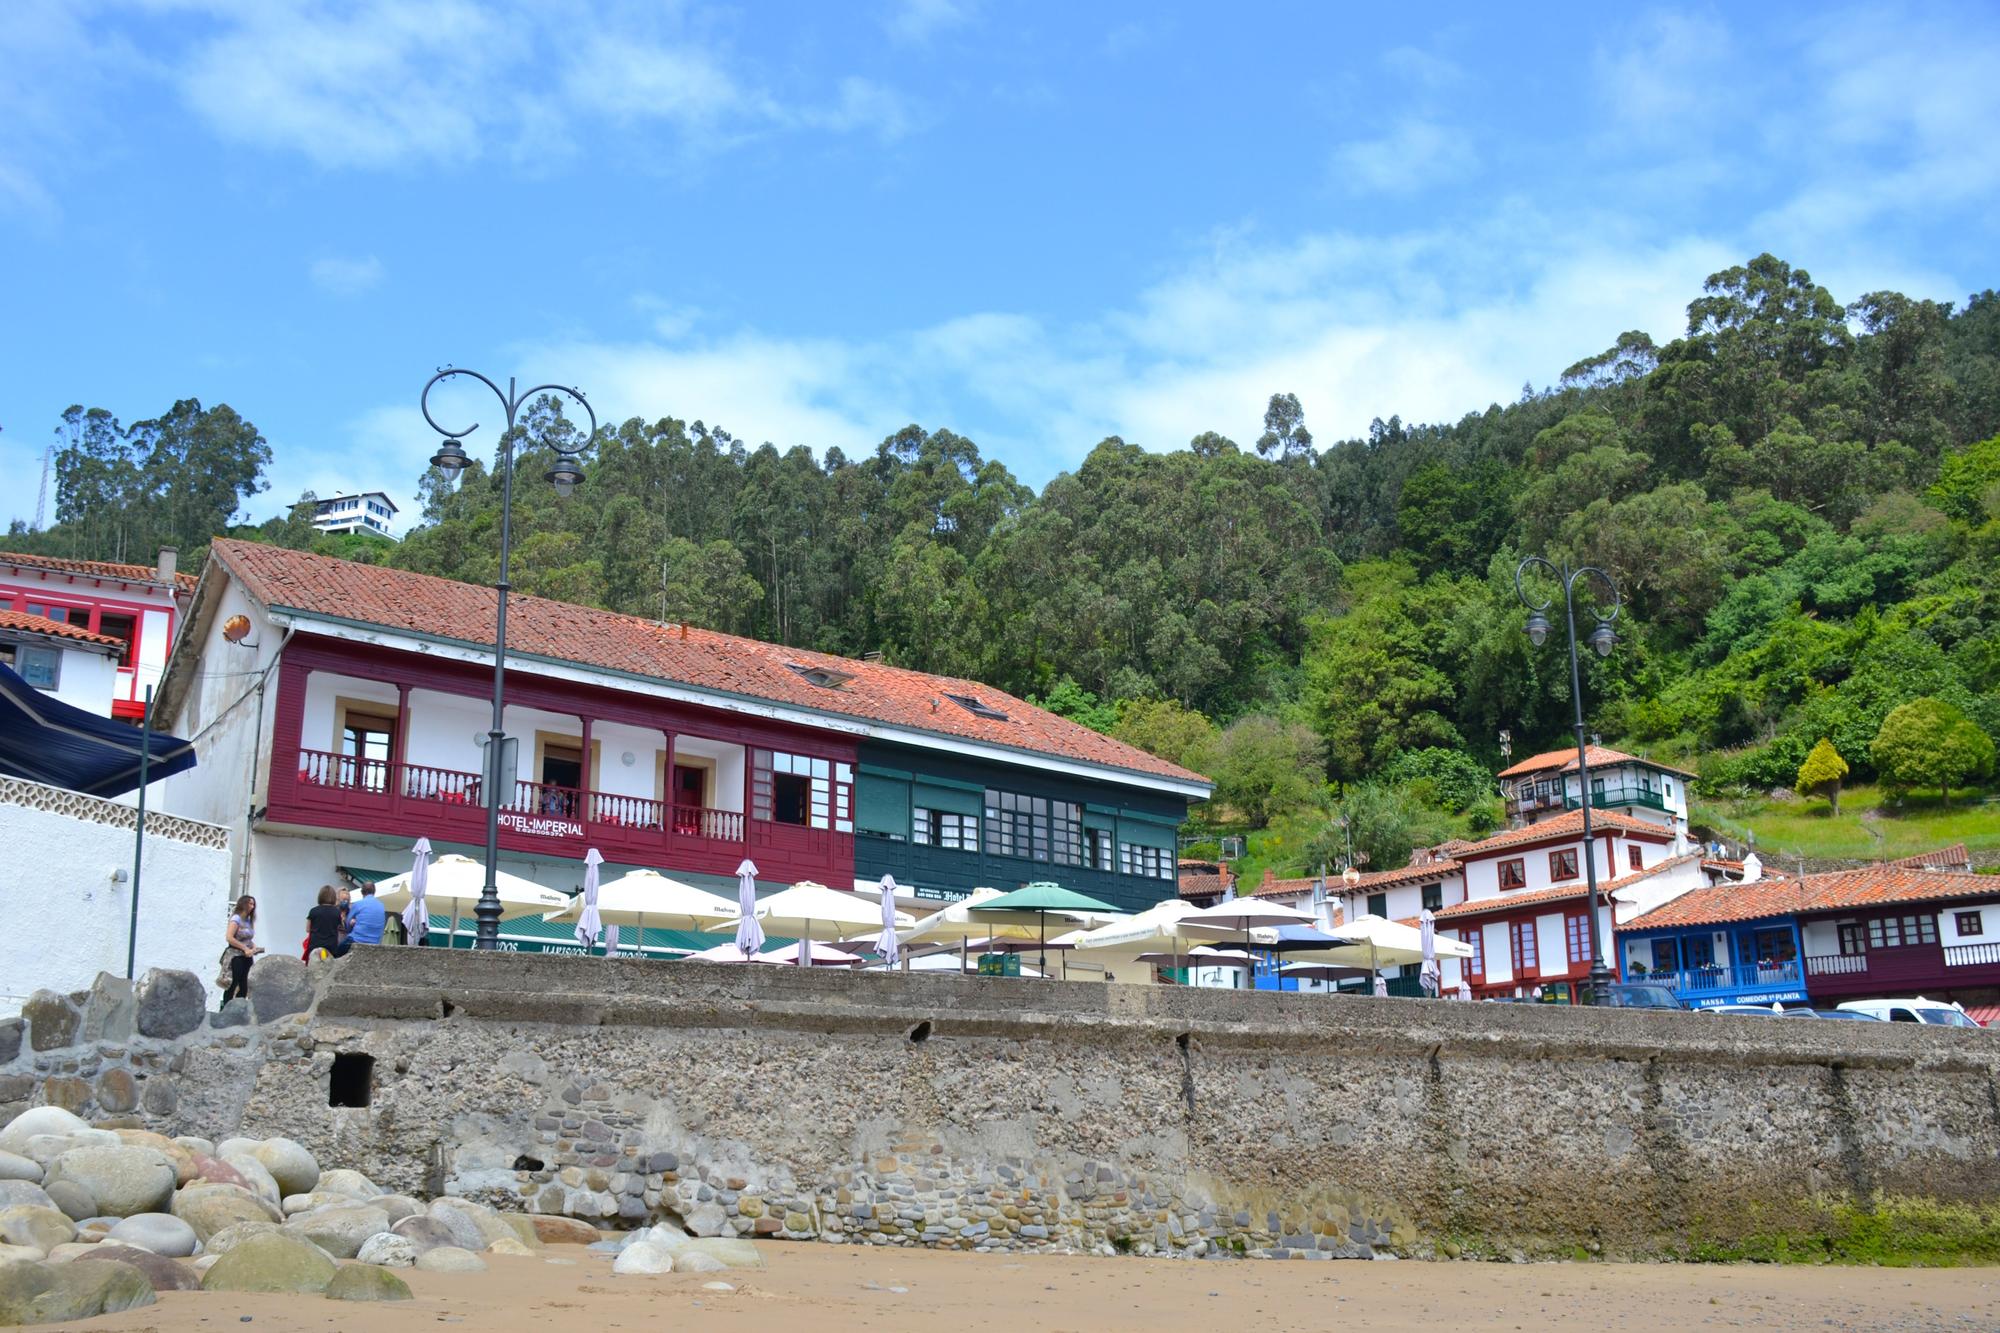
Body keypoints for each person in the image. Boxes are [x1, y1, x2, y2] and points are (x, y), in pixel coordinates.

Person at [221, 895, 264, 1007]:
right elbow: (229, 937)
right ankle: (226, 1009)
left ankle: (238, 1009)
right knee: (232, 983)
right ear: (243, 904)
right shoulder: (236, 919)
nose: (252, 906)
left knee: (245, 985)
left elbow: (248, 939)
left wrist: (254, 947)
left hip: (247, 957)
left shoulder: (249, 921)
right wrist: (244, 948)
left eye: (253, 904)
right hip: (236, 956)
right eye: (250, 903)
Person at [306, 885, 348, 962]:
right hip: (331, 946)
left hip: (315, 945)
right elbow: (341, 926)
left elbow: (308, 929)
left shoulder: (313, 911)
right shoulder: (337, 912)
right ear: (334, 897)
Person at [347, 882, 387, 948]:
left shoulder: (358, 904)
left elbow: (347, 925)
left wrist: (352, 922)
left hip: (357, 940)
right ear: (374, 892)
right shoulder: (381, 905)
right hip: (376, 942)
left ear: (361, 892)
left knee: (338, 951)